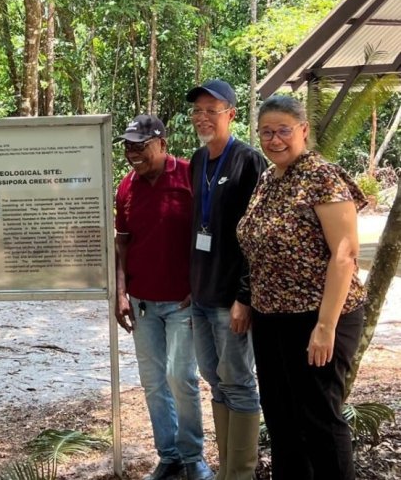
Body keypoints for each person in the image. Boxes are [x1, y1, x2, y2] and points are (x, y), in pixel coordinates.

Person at [237, 95, 366, 480]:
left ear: (304, 130)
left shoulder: (322, 176)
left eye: (283, 131)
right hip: (271, 317)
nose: (274, 140)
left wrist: (325, 327)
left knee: (319, 420)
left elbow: (345, 254)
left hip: (318, 315)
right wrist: (246, 300)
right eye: (266, 132)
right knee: (281, 419)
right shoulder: (268, 178)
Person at [114, 115, 214, 480]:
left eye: (141, 146)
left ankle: (193, 457)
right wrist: (120, 291)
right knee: (153, 380)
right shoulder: (127, 186)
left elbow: (210, 234)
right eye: (128, 146)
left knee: (180, 377)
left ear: (162, 144)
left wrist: (199, 283)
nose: (133, 153)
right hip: (142, 302)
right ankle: (169, 456)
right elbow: (122, 242)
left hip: (182, 302)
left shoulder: (189, 175)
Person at [186, 79, 266, 480]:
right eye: (197, 111)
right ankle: (227, 470)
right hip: (201, 294)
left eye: (210, 110)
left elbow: (259, 235)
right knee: (214, 380)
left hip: (231, 298)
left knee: (238, 382)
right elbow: (198, 228)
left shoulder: (249, 161)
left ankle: (241, 473)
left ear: (231, 114)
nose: (202, 117)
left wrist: (245, 296)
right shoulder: (198, 161)